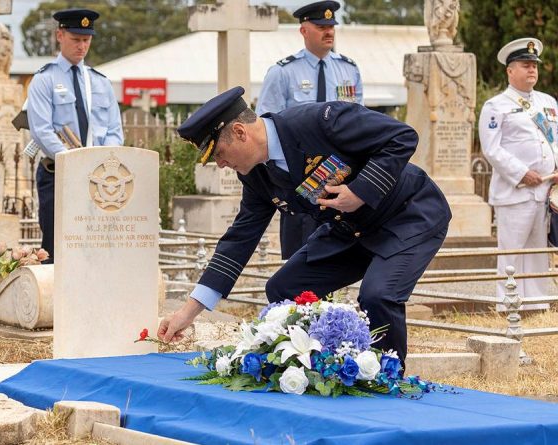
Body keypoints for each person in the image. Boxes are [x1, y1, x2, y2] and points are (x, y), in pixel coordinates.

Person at [159, 86, 451, 364]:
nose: (221, 164)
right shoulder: (255, 176)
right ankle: (319, 364)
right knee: (285, 288)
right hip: (350, 231)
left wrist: (361, 191)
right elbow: (239, 240)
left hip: (407, 215)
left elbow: (401, 137)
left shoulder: (321, 121)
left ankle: (387, 379)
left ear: (239, 132)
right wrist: (189, 311)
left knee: (378, 296)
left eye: (219, 154)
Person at [256, 0, 363, 260]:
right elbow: (265, 124)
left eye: (331, 26)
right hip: (301, 175)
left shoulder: (349, 70)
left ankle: (333, 301)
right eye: (320, 26)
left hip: (340, 172)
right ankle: (299, 300)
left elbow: (359, 121)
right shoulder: (283, 72)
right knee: (300, 252)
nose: (329, 31)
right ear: (304, 30)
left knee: (340, 248)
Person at [26, 8, 123, 263]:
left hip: (99, 179)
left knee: (99, 246)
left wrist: (104, 161)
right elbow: (41, 130)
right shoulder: (44, 79)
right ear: (60, 35)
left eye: (86, 40)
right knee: (57, 245)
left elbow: (114, 130)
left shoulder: (100, 82)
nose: (82, 46)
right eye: (76, 39)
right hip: (59, 174)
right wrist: (73, 161)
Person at [479, 38, 556, 311]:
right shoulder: (496, 105)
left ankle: (536, 305)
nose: (532, 69)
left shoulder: (548, 102)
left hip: (544, 191)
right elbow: (491, 149)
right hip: (515, 191)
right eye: (525, 65)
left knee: (538, 252)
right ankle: (509, 306)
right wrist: (522, 173)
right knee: (512, 252)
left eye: (534, 65)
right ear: (510, 71)